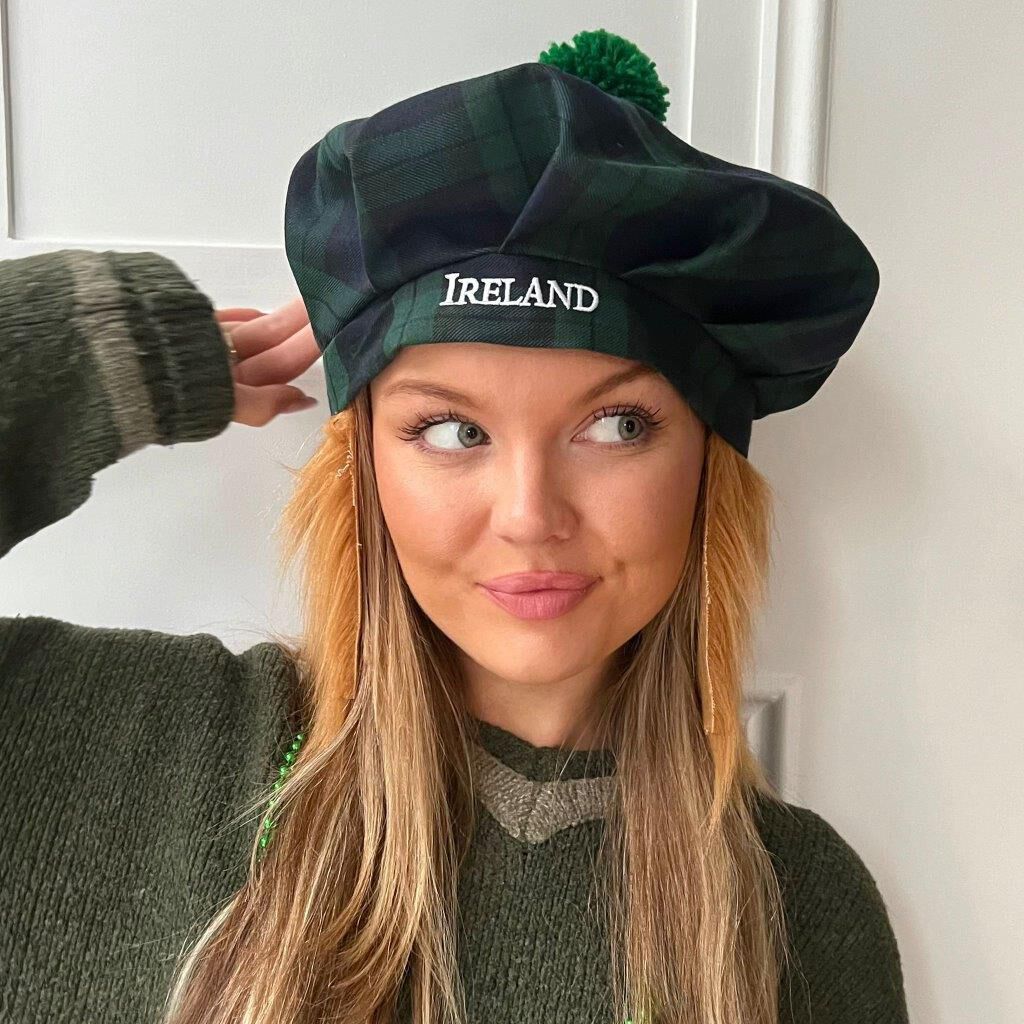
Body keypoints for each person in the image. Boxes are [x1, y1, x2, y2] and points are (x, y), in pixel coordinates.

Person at [0, 28, 910, 1024]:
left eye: (615, 424)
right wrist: (98, 349)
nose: (528, 516)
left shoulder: (802, 908)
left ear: (705, 467)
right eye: (449, 427)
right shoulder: (114, 747)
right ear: (366, 467)